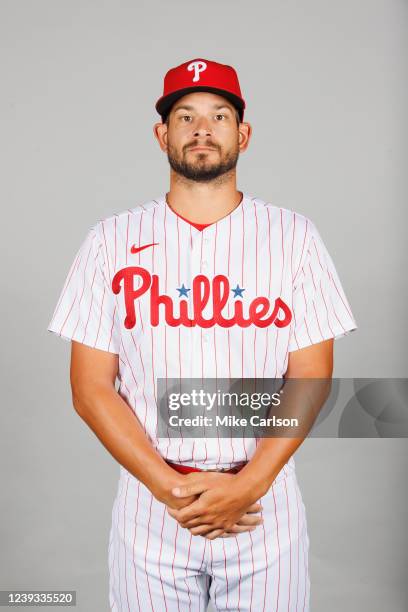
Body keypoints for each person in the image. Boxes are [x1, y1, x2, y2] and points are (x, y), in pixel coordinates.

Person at [47, 57, 358, 611]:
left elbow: (311, 375)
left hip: (265, 501)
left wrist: (249, 485)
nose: (202, 129)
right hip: (153, 504)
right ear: (162, 134)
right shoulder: (110, 240)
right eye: (185, 116)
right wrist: (170, 488)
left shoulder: (294, 237)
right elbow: (90, 388)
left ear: (243, 134)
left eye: (218, 115)